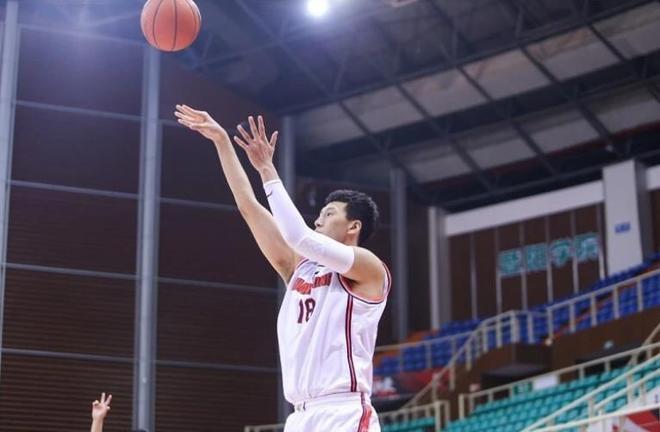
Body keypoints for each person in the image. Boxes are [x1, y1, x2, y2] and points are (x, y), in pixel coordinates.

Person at [175, 105, 391, 432]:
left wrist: (266, 169)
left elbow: (298, 235)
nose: (318, 220)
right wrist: (222, 141)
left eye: (329, 214)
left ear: (353, 226)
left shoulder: (370, 268)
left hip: (343, 411)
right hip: (300, 416)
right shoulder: (299, 268)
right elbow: (249, 207)